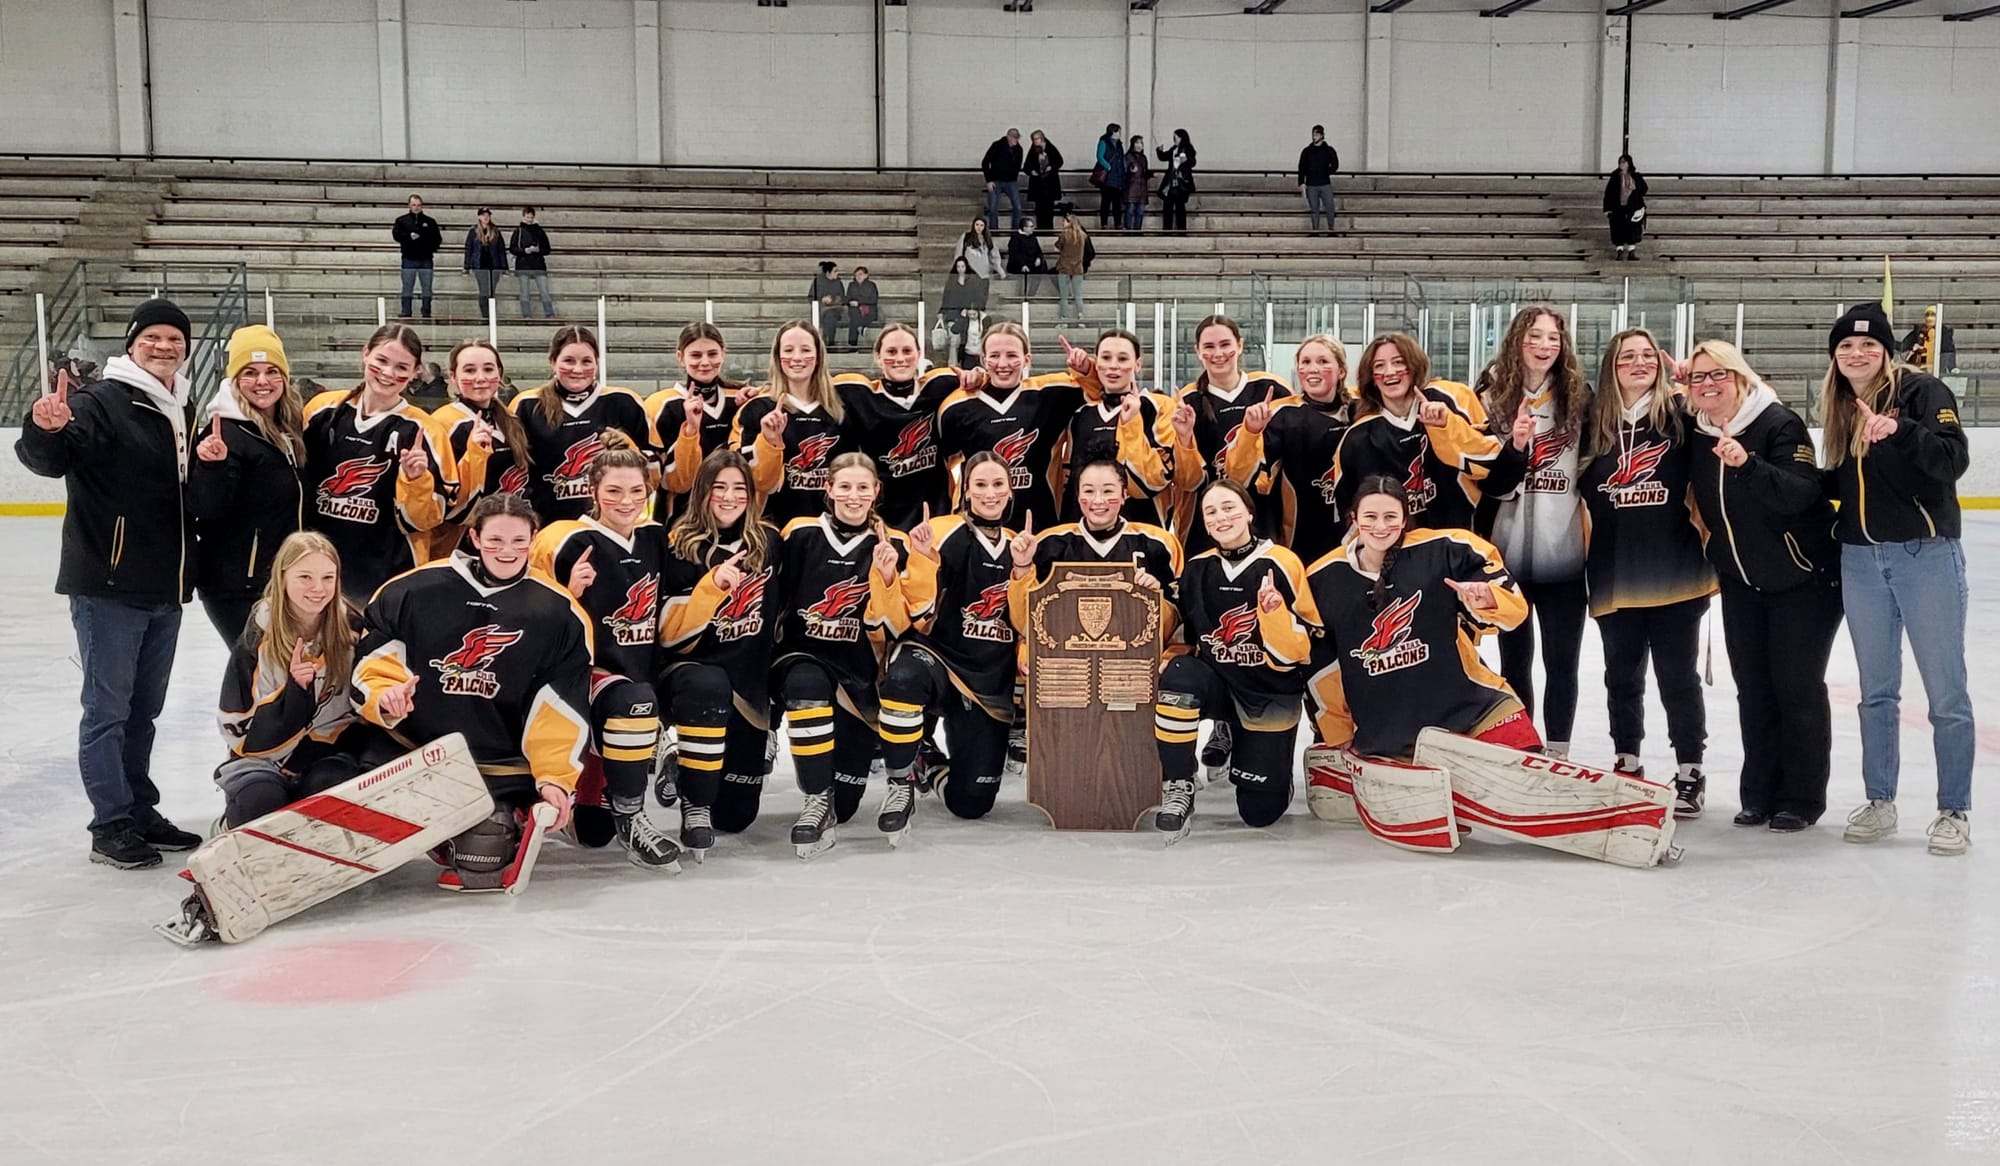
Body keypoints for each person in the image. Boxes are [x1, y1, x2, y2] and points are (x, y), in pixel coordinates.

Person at [15, 297, 205, 868]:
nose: (164, 346)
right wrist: (43, 430)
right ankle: (111, 823)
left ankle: (139, 808)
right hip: (109, 583)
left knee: (143, 711)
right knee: (107, 710)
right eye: (152, 337)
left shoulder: (182, 406)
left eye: (175, 338)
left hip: (165, 588)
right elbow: (50, 459)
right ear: (131, 343)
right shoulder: (103, 401)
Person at [353, 492, 589, 890]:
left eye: (518, 540)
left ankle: (484, 823)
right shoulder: (410, 591)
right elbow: (373, 664)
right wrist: (385, 696)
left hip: (496, 767)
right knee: (352, 810)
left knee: (483, 854)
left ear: (533, 539)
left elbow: (560, 705)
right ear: (475, 539)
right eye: (495, 540)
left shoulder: (559, 612)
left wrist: (554, 778)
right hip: (412, 754)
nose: (507, 550)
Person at [1819, 304, 1974, 856]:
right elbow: (1835, 482)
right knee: (1876, 693)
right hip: (1861, 560)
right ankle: (1880, 800)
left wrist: (1901, 430)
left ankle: (1954, 809)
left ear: (1887, 351)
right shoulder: (1839, 408)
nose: (1856, 355)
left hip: (1924, 556)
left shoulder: (1925, 395)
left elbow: (1952, 460)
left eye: (1867, 346)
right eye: (1845, 348)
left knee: (1946, 693)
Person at [1685, 339, 1841, 832]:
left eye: (1719, 375)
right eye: (1698, 377)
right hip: (1742, 582)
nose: (1709, 385)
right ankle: (1759, 794)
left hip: (1803, 580)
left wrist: (1746, 465)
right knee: (1753, 690)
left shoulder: (1778, 423)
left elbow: (1801, 492)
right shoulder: (1696, 433)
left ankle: (1800, 798)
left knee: (1795, 688)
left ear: (1740, 377)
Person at [1299, 475, 1537, 763]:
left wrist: (1488, 598)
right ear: (1354, 518)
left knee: (1526, 774)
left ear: (1404, 518)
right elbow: (1320, 665)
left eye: (1390, 516)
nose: (1380, 526)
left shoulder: (1447, 548)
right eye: (1370, 517)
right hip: (1389, 737)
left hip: (1476, 711)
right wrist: (1337, 730)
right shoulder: (1322, 579)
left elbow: (1514, 611)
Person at [1578, 329, 1717, 816]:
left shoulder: (1681, 416)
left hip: (1675, 572)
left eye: (1646, 356)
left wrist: (1694, 384)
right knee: (1622, 677)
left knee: (1678, 678)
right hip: (1613, 575)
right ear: (1610, 368)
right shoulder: (1593, 424)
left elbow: (1740, 404)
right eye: (1626, 357)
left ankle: (1689, 770)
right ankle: (1627, 761)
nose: (1638, 364)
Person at [529, 433, 683, 869]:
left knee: (596, 834)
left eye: (636, 491)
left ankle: (648, 780)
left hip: (642, 674)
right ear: (592, 490)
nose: (625, 500)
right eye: (613, 490)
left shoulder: (655, 537)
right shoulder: (567, 541)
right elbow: (532, 612)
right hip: (588, 677)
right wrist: (567, 593)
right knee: (636, 702)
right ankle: (640, 786)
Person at [772, 453, 928, 855]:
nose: (853, 496)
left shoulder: (894, 543)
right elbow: (774, 599)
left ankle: (888, 787)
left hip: (860, 674)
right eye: (844, 486)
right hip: (804, 657)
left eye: (863, 487)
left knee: (848, 802)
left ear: (876, 491)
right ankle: (814, 800)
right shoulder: (800, 533)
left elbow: (895, 628)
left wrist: (888, 577)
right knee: (806, 684)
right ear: (828, 489)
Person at [1153, 480, 1316, 841]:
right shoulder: (1197, 568)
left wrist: (1274, 615)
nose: (1220, 517)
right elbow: (1181, 630)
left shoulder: (1281, 563)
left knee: (1260, 813)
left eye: (1229, 507)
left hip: (1268, 694)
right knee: (1178, 675)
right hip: (1220, 686)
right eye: (1210, 511)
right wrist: (1150, 596)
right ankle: (1179, 783)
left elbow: (1304, 647)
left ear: (1248, 513)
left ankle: (1262, 761)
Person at [1477, 307, 1589, 761]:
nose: (1544, 345)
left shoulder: (1580, 397)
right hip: (1506, 556)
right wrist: (1515, 447)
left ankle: (1558, 752)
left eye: (1553, 338)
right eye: (1534, 336)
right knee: (1514, 660)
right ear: (1516, 340)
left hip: (1564, 554)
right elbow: (1486, 481)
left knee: (1563, 661)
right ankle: (1524, 750)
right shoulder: (1487, 397)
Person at [883, 452, 1021, 821]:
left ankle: (927, 763)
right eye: (980, 484)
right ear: (965, 489)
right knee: (903, 679)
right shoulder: (940, 531)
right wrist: (924, 558)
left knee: (972, 803)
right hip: (938, 657)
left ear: (1011, 491)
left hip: (989, 678)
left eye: (997, 484)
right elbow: (916, 612)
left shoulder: (1025, 545)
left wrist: (1023, 570)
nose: (989, 493)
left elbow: (1025, 621)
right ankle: (899, 782)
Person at [659, 450, 784, 850]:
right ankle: (692, 798)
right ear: (702, 493)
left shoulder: (768, 541)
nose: (729, 497)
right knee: (708, 686)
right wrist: (710, 587)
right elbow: (671, 635)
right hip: (696, 675)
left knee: (736, 818)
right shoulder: (677, 543)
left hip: (748, 683)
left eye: (739, 488)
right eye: (719, 488)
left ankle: (681, 766)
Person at [213, 532, 374, 830]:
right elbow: (237, 724)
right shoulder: (258, 636)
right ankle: (234, 821)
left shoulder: (352, 628)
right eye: (305, 577)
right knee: (260, 800)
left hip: (324, 753)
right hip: (262, 757)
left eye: (328, 577)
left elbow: (358, 709)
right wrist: (295, 694)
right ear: (283, 577)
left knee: (331, 789)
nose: (318, 588)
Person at [301, 324, 453, 604]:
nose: (388, 373)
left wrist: (416, 480)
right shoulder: (322, 410)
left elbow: (427, 520)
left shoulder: (425, 431)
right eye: (381, 361)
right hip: (315, 572)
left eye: (401, 367)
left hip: (386, 576)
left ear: (416, 371)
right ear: (365, 353)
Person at [1332, 332, 1522, 537]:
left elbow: (1493, 471)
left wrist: (1446, 427)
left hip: (1457, 543)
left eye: (1399, 362)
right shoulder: (1358, 437)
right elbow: (1349, 515)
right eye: (1379, 366)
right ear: (1371, 378)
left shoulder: (1451, 400)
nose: (1389, 372)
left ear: (1414, 366)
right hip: (1395, 554)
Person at [189, 324, 306, 644]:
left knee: (279, 679)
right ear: (234, 379)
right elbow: (205, 510)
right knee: (261, 675)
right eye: (250, 372)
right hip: (239, 586)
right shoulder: (224, 433)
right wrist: (211, 467)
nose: (262, 381)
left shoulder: (287, 431)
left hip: (280, 581)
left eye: (272, 371)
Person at [937, 322, 1089, 530]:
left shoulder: (1052, 394)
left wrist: (1086, 368)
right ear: (983, 360)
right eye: (994, 355)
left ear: (1027, 359)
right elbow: (940, 470)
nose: (1003, 364)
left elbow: (1100, 390)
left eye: (1011, 355)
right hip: (977, 531)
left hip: (1040, 526)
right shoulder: (957, 405)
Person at [1225, 334, 1355, 563]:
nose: (1312, 369)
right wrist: (1251, 431)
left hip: (1359, 533)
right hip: (1301, 539)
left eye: (1323, 361)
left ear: (1342, 371)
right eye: (1305, 362)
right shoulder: (1282, 415)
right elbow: (1240, 476)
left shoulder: (1360, 411)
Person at [1170, 315, 1292, 555]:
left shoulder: (1272, 389)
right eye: (1209, 346)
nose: (1218, 353)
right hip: (1205, 525)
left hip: (1265, 515)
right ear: (1197, 351)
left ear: (1240, 345)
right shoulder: (1187, 401)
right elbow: (1189, 481)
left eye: (1225, 344)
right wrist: (1184, 439)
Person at [510, 325, 652, 524]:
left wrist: (633, 451)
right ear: (552, 362)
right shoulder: (527, 405)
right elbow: (514, 473)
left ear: (597, 363)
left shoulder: (624, 401)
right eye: (568, 361)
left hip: (614, 526)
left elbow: (653, 472)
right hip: (548, 528)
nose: (578, 369)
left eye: (586, 361)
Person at [1055, 329, 1189, 528]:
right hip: (1084, 535)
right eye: (1106, 358)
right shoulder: (1081, 415)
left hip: (1142, 530)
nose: (1113, 366)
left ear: (1137, 364)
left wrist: (1132, 423)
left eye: (1123, 358)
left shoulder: (1158, 407)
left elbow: (1155, 480)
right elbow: (1070, 481)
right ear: (1096, 363)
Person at [833, 323, 960, 528]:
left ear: (919, 354)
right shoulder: (861, 394)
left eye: (907, 351)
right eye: (891, 351)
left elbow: (986, 381)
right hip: (882, 520)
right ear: (877, 357)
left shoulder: (940, 386)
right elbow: (809, 386)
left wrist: (978, 376)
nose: (900, 358)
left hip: (935, 516)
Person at [737, 320, 851, 525]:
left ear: (818, 357)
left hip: (830, 531)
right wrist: (769, 442)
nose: (796, 357)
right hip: (774, 527)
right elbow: (753, 481)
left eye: (805, 349)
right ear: (777, 358)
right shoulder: (757, 409)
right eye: (788, 350)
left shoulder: (841, 407)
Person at [430, 339, 529, 558]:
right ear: (453, 377)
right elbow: (444, 505)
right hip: (461, 546)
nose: (480, 378)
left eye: (488, 369)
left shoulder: (511, 419)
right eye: (469, 370)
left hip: (511, 538)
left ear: (500, 374)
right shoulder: (443, 423)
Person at [646, 322, 746, 524]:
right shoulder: (660, 405)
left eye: (712, 354)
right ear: (680, 357)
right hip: (680, 519)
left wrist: (756, 397)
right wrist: (691, 430)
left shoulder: (739, 399)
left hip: (734, 517)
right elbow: (668, 481)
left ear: (723, 354)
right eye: (696, 355)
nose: (705, 362)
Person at [392, 194, 443, 319]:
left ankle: (426, 311)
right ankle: (406, 310)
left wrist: (427, 246)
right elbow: (396, 235)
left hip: (426, 259)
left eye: (419, 205)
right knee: (407, 286)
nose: (416, 207)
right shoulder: (401, 221)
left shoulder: (430, 222)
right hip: (409, 259)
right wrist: (409, 237)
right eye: (414, 205)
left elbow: (437, 239)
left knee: (427, 287)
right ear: (409, 205)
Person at [938, 257, 990, 367]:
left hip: (968, 314)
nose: (960, 269)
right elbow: (946, 296)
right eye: (958, 267)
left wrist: (971, 309)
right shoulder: (951, 281)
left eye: (962, 266)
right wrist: (942, 311)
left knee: (967, 338)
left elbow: (978, 296)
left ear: (966, 267)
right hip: (953, 314)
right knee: (954, 340)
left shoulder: (973, 281)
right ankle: (952, 366)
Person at [509, 206, 555, 319]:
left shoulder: (539, 231)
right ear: (523, 217)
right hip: (523, 265)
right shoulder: (518, 231)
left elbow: (547, 249)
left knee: (544, 291)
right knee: (525, 292)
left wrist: (538, 250)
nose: (529, 219)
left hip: (538, 264)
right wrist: (524, 251)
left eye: (531, 217)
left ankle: (549, 313)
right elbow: (512, 248)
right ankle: (526, 314)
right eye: (527, 217)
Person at [463, 208, 509, 320]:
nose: (486, 217)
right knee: (484, 291)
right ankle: (485, 315)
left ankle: (491, 314)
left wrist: (504, 267)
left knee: (492, 292)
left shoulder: (495, 231)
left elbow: (501, 250)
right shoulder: (473, 231)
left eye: (487, 215)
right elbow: (469, 249)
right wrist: (467, 266)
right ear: (479, 217)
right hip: (480, 266)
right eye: (483, 215)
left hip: (494, 265)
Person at [1053, 210, 1095, 325]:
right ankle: (1080, 317)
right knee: (1078, 295)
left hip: (1064, 267)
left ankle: (1064, 319)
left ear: (1069, 222)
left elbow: (1057, 246)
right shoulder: (1083, 236)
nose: (1063, 223)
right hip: (1078, 268)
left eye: (1064, 221)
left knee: (1064, 296)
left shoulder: (1064, 235)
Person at [1604, 154, 1647, 262]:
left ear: (1629, 163)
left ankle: (1631, 251)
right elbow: (1608, 193)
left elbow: (1644, 189)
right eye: (1620, 162)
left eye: (1624, 162)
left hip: (1632, 207)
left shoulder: (1636, 176)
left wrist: (1636, 187)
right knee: (1618, 228)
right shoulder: (1615, 177)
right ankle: (1619, 251)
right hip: (1618, 207)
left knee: (1632, 229)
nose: (1621, 164)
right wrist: (1607, 208)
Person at [1298, 125, 1340, 234]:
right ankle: (1315, 230)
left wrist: (1327, 172)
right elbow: (1301, 167)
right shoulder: (1307, 151)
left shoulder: (1329, 150)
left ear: (1322, 135)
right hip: (1311, 184)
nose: (1314, 137)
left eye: (1316, 135)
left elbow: (1335, 164)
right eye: (1313, 134)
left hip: (1325, 183)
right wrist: (1301, 182)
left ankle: (1331, 229)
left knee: (1330, 207)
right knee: (1314, 209)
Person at [981, 128, 1025, 231]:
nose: (1016, 141)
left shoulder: (1019, 149)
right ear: (1009, 137)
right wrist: (989, 180)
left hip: (1011, 181)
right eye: (1015, 138)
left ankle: (1016, 229)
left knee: (1017, 207)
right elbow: (985, 162)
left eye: (1017, 138)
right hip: (996, 180)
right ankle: (994, 229)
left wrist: (1014, 176)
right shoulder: (997, 145)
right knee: (993, 207)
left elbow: (1018, 166)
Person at [1156, 130, 1197, 235]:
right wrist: (1159, 151)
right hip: (1171, 181)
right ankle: (1167, 230)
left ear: (1182, 138)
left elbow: (1192, 162)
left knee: (1180, 207)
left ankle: (1181, 230)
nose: (1174, 139)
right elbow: (1164, 157)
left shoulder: (1188, 148)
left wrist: (1186, 160)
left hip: (1181, 182)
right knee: (1167, 206)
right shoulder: (1174, 149)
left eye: (1176, 137)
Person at [1025, 130, 1065, 232]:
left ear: (1041, 139)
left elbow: (1059, 161)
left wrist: (1051, 167)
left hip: (1050, 184)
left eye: (1036, 139)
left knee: (1049, 208)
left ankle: (1048, 228)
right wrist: (1031, 171)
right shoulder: (1033, 150)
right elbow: (1027, 165)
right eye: (1033, 140)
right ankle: (1040, 227)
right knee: (1039, 208)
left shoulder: (1051, 148)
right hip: (1038, 184)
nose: (1034, 142)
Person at [1901, 307, 1958, 375]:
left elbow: (1949, 351)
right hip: (1920, 369)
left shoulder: (1944, 332)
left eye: (1933, 315)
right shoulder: (1919, 331)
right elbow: (1904, 345)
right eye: (1927, 315)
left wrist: (1952, 368)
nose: (1929, 318)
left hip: (1937, 369)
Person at [1092, 124, 1124, 229]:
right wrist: (1108, 166)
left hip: (1117, 176)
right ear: (1113, 132)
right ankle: (1104, 223)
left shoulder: (1119, 144)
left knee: (1117, 203)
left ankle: (1118, 223)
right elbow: (1099, 156)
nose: (1119, 134)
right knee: (1105, 202)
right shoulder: (1104, 142)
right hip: (1107, 177)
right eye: (1118, 131)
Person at [1005, 221, 1048, 297]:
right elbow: (1014, 254)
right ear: (1024, 228)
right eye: (1030, 226)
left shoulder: (1033, 237)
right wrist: (1022, 265)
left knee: (1039, 272)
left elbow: (1038, 251)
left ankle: (1031, 295)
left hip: (1032, 263)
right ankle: (1021, 296)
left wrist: (1038, 258)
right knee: (1023, 275)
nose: (1033, 228)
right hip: (1018, 265)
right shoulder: (1015, 238)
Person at [845, 265, 879, 352]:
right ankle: (854, 343)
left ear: (866, 275)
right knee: (854, 318)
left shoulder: (871, 285)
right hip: (855, 310)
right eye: (856, 275)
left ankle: (852, 346)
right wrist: (850, 302)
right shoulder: (852, 285)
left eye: (860, 274)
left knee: (854, 322)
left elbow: (874, 299)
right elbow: (848, 298)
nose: (858, 277)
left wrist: (859, 302)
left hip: (869, 310)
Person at [1122, 135, 1150, 231]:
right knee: (1130, 209)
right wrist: (1131, 169)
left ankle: (1137, 230)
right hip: (1131, 187)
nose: (1139, 145)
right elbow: (1126, 170)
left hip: (1142, 187)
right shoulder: (1128, 156)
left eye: (1141, 143)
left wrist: (1150, 174)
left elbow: (1145, 172)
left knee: (1140, 211)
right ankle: (1128, 229)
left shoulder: (1143, 158)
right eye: (1137, 143)